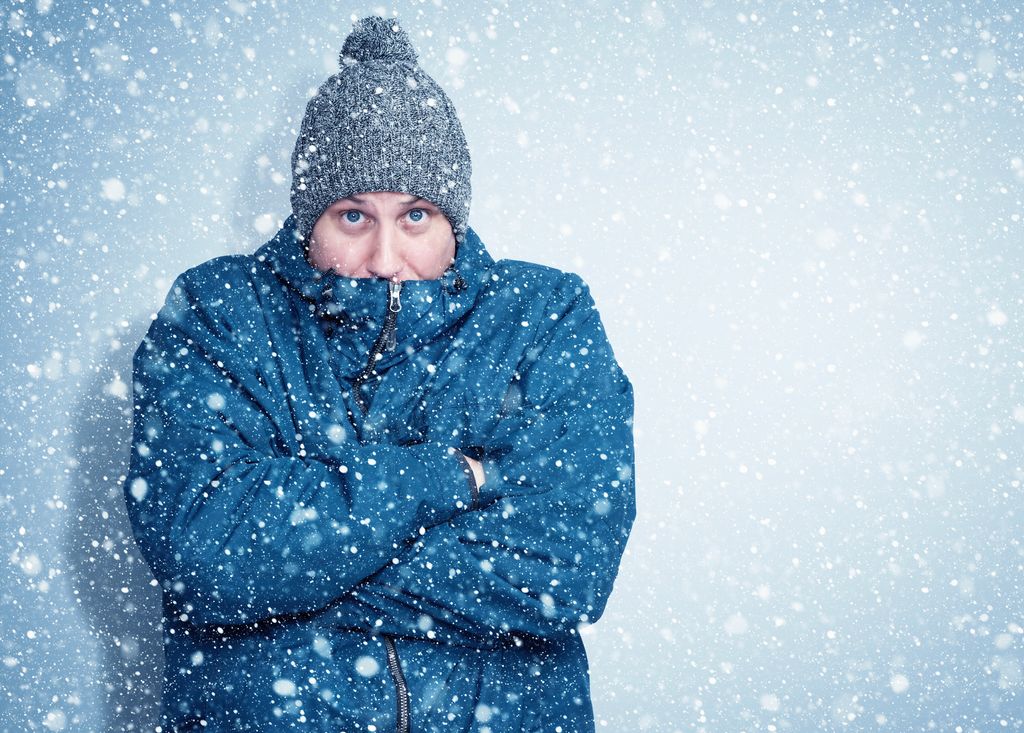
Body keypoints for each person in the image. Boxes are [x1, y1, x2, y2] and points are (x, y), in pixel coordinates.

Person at [125, 15, 635, 733]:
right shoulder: (221, 311)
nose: (387, 257)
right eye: (355, 216)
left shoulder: (544, 315)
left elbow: (568, 564)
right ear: (310, 219)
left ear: (453, 218)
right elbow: (203, 556)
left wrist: (298, 575)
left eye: (417, 215)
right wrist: (448, 479)